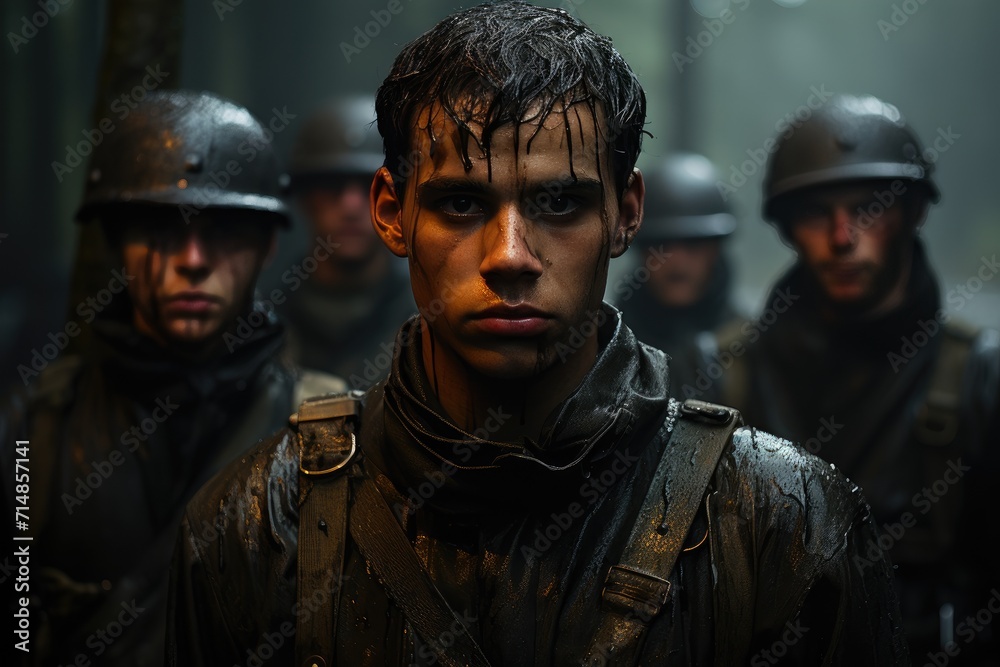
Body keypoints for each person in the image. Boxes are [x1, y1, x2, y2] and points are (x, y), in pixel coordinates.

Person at [167, 6, 909, 665]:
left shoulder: (784, 525)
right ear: (392, 212)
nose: (510, 256)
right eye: (460, 203)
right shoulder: (257, 523)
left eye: (559, 202)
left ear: (626, 212)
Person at [0, 90, 343, 666]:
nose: (192, 259)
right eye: (160, 229)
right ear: (117, 245)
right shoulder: (34, 427)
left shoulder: (328, 433)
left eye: (225, 230)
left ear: (267, 246)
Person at [707, 93, 999, 663]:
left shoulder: (978, 380)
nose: (843, 237)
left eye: (869, 208)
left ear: (912, 211)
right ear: (789, 228)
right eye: (818, 213)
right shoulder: (725, 373)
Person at [282, 96, 416, 389]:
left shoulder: (426, 317)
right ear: (305, 197)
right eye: (332, 184)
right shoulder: (269, 321)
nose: (351, 206)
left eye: (369, 185)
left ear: (395, 200)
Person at [614, 152, 741, 398]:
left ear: (715, 250)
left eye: (693, 246)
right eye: (661, 246)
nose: (677, 264)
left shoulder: (753, 345)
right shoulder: (611, 342)